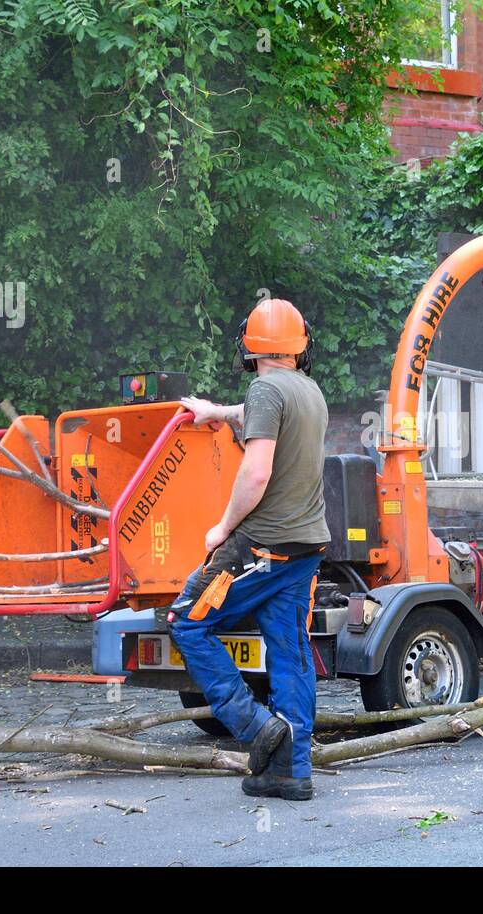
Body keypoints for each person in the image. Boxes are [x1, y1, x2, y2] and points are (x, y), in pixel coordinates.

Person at [169, 299, 329, 801]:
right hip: (306, 547)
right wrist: (217, 413)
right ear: (300, 346)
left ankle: (254, 726)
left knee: (188, 622)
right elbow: (256, 413)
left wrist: (221, 527)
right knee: (291, 653)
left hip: (262, 546)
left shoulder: (265, 388)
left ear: (248, 345)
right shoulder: (310, 392)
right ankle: (291, 771)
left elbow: (256, 472)